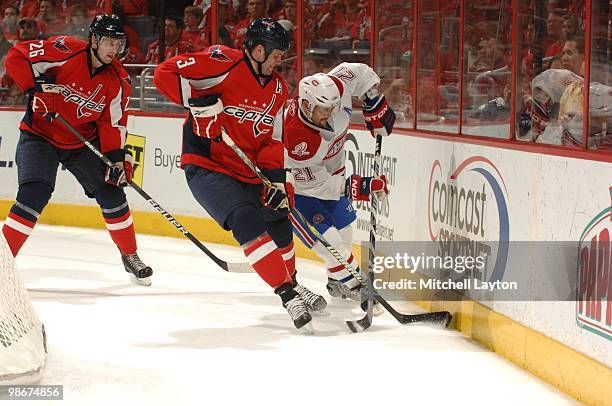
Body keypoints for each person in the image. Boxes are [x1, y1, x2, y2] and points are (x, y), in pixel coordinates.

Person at [153, 18, 325, 331]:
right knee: (247, 218)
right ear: (258, 49)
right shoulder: (223, 62)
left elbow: (271, 140)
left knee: (278, 218)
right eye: (276, 53)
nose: (280, 60)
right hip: (207, 165)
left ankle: (293, 282)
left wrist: (275, 181)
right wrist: (198, 105)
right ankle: (287, 294)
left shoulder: (277, 88)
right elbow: (164, 72)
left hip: (247, 169)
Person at [1, 14, 153, 286]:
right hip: (41, 136)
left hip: (81, 143)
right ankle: (3, 262)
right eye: (108, 42)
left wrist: (116, 160)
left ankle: (130, 254)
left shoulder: (118, 80)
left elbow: (113, 124)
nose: (113, 50)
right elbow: (15, 56)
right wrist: (34, 89)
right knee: (33, 193)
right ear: (94, 39)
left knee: (112, 193)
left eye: (118, 45)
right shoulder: (64, 51)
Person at [284, 62, 395, 305]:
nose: (331, 113)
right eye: (324, 109)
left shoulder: (336, 86)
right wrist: (360, 187)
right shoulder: (296, 139)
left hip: (334, 175)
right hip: (299, 193)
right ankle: (356, 283)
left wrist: (372, 100)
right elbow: (316, 186)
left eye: (333, 106)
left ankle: (338, 283)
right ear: (305, 104)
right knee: (331, 243)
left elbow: (357, 70)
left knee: (345, 233)